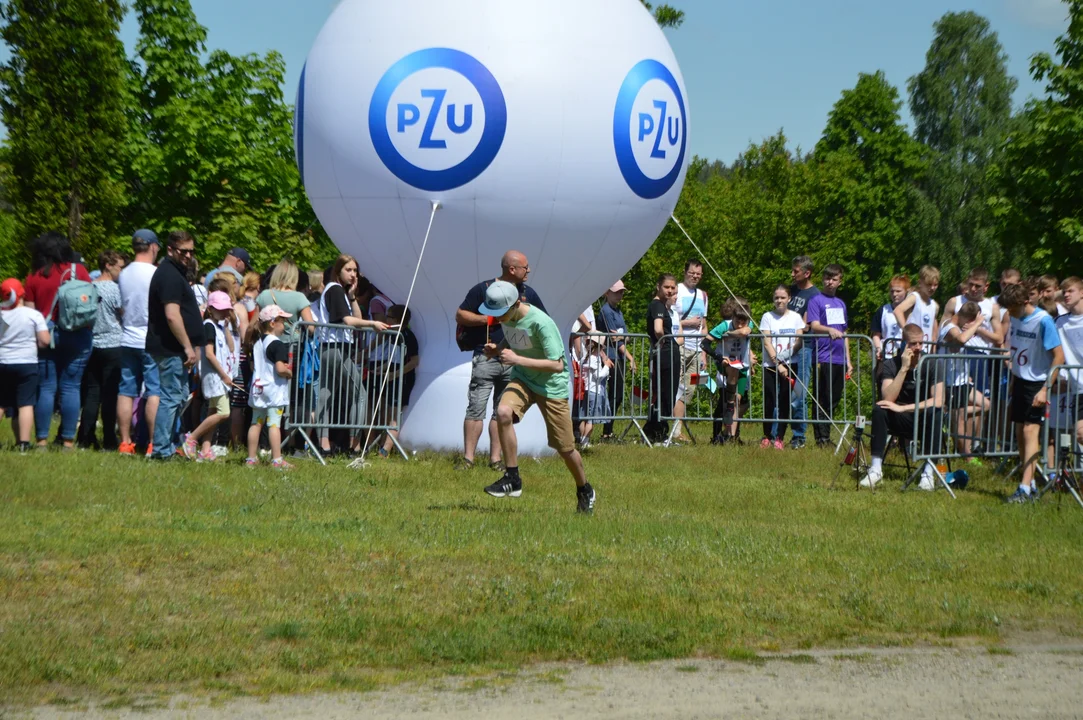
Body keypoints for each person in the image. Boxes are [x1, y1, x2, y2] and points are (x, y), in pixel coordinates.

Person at [477, 281, 595, 514]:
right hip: (523, 379)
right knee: (502, 412)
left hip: (551, 387)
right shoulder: (509, 316)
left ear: (516, 304)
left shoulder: (542, 323)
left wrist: (517, 360)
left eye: (500, 314)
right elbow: (514, 338)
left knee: (565, 449)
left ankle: (584, 488)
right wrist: (498, 349)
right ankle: (512, 478)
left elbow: (557, 364)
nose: (497, 319)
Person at [454, 250, 546, 470]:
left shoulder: (528, 293)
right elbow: (461, 315)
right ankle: (468, 459)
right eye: (525, 267)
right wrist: (491, 318)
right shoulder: (484, 290)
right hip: (485, 356)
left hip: (513, 360)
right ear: (512, 269)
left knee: (501, 411)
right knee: (475, 408)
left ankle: (495, 460)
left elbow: (542, 320)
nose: (529, 271)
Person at [23, 231, 93, 449]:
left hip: (46, 335)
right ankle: (68, 441)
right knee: (71, 387)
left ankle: (42, 440)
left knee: (46, 388)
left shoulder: (35, 276)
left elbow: (30, 312)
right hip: (78, 334)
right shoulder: (78, 270)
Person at [313, 255, 388, 454]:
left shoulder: (339, 291)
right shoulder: (335, 290)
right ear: (338, 271)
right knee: (360, 395)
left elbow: (357, 317)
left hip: (329, 348)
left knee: (325, 395)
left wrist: (353, 296)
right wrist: (372, 324)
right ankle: (354, 446)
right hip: (336, 349)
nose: (353, 274)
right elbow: (349, 321)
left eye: (355, 270)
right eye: (349, 270)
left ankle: (324, 445)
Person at [859, 325, 946, 490]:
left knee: (936, 412)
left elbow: (939, 400)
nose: (918, 347)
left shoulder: (932, 363)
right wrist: (904, 368)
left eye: (921, 343)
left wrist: (903, 408)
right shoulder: (891, 364)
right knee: (879, 409)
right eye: (913, 344)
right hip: (900, 421)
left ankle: (928, 474)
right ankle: (876, 469)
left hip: (923, 418)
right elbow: (888, 397)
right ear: (904, 344)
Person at [1002, 283, 1064, 503]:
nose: (1009, 312)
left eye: (1012, 308)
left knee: (1030, 433)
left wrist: (1045, 389)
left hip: (1037, 384)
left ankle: (1024, 487)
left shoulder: (1043, 321)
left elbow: (1058, 356)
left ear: (1025, 302)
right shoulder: (1015, 318)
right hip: (1019, 381)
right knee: (1019, 434)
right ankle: (1032, 483)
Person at [145, 231, 204, 460]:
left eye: (191, 251)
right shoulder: (168, 274)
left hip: (176, 349)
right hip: (169, 348)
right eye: (183, 251)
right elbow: (172, 315)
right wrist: (188, 347)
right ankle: (161, 450)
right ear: (170, 250)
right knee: (171, 398)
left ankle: (167, 446)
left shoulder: (176, 272)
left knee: (179, 397)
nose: (188, 255)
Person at [117, 229, 162, 456]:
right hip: (150, 338)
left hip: (127, 337)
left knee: (126, 391)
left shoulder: (123, 273)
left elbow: (122, 307)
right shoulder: (156, 273)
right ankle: (154, 443)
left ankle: (125, 442)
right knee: (154, 391)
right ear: (153, 246)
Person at [77, 250, 126, 450]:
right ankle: (108, 438)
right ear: (108, 265)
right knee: (110, 394)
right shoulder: (114, 289)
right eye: (120, 267)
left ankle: (85, 436)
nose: (121, 271)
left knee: (91, 393)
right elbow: (123, 313)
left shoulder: (88, 287)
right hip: (113, 344)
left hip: (91, 344)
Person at [180, 291, 237, 462]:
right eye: (221, 309)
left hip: (220, 377)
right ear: (211, 309)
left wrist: (227, 328)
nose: (225, 312)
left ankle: (205, 449)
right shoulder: (208, 326)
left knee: (213, 411)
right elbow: (210, 354)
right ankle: (191, 439)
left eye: (227, 309)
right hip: (215, 377)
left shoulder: (219, 327)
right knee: (224, 412)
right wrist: (224, 376)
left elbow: (232, 348)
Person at [0, 278, 50, 452]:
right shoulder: (33, 315)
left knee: (1, 403)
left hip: (3, 361)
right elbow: (45, 340)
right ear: (21, 293)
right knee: (25, 404)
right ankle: (23, 444)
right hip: (26, 362)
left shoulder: (1, 314)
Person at [806, 264, 851, 449]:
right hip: (824, 357)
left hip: (840, 358)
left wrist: (849, 359)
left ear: (840, 281)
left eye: (834, 279)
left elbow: (845, 331)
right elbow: (814, 325)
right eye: (827, 278)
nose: (830, 282)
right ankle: (821, 438)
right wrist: (829, 330)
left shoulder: (841, 304)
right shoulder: (816, 300)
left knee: (833, 399)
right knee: (822, 397)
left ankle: (826, 434)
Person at [937, 301, 989, 459]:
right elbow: (960, 340)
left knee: (986, 405)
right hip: (950, 381)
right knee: (959, 419)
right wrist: (978, 323)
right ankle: (967, 456)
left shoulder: (959, 327)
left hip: (963, 379)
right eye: (971, 322)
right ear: (965, 318)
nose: (971, 326)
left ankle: (948, 417)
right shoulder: (949, 326)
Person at [245, 305, 294, 469]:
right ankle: (277, 460)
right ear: (273, 323)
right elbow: (280, 369)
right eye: (283, 321)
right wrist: (289, 372)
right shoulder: (278, 344)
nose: (285, 325)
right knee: (274, 424)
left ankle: (251, 459)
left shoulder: (257, 343)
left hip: (258, 388)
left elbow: (253, 366)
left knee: (255, 423)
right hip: (273, 391)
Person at [367, 304, 419, 458]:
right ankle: (381, 446)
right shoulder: (392, 335)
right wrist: (381, 370)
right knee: (386, 412)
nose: (386, 319)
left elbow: (414, 361)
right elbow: (394, 357)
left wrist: (394, 374)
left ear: (398, 320)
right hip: (392, 378)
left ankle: (385, 451)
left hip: (402, 380)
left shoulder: (408, 336)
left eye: (389, 316)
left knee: (394, 415)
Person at [760, 285, 804, 449]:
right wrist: (778, 363)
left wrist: (785, 358)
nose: (779, 300)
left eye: (783, 297)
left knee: (785, 400)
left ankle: (780, 436)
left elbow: (799, 342)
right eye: (777, 297)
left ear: (789, 299)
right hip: (770, 365)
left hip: (791, 363)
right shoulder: (767, 317)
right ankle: (766, 435)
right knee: (769, 400)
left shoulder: (796, 317)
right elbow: (767, 341)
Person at [707, 298, 755, 444]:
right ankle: (719, 436)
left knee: (739, 401)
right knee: (727, 402)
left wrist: (728, 335)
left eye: (743, 321)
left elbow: (745, 331)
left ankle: (730, 436)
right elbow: (706, 342)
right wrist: (718, 356)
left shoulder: (747, 324)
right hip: (726, 365)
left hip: (742, 365)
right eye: (737, 320)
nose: (740, 324)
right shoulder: (723, 325)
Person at [595, 281, 637, 440]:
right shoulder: (606, 311)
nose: (620, 295)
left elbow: (624, 336)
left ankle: (608, 429)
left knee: (617, 395)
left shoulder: (617, 311)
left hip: (619, 356)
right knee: (614, 394)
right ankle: (606, 431)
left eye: (621, 292)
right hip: (611, 357)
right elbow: (615, 339)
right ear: (607, 293)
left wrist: (622, 337)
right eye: (617, 292)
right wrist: (630, 357)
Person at [643, 274, 681, 443]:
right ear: (659, 286)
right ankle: (657, 433)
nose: (670, 290)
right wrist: (664, 340)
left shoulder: (661, 305)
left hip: (666, 352)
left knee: (664, 393)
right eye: (667, 287)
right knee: (665, 394)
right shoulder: (657, 305)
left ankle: (653, 432)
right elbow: (658, 328)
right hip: (666, 353)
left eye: (673, 287)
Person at [673, 260, 709, 441]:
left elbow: (704, 325)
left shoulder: (703, 295)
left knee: (689, 389)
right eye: (692, 273)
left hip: (696, 350)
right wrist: (688, 323)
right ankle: (670, 428)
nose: (695, 276)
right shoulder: (677, 290)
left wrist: (704, 352)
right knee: (675, 387)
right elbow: (671, 319)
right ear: (685, 272)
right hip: (679, 346)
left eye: (698, 274)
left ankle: (677, 430)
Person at [787, 255, 820, 449]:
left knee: (799, 393)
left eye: (796, 271)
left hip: (803, 349)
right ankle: (776, 434)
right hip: (784, 347)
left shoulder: (814, 296)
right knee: (783, 392)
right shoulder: (790, 291)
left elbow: (807, 326)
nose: (792, 274)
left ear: (807, 273)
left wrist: (797, 344)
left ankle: (799, 435)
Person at [1054, 277, 1083, 453]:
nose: (1066, 294)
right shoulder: (1060, 322)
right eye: (1064, 291)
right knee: (1080, 435)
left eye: (1070, 291)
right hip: (1078, 387)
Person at [255, 258, 315, 339]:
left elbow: (254, 324)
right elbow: (310, 328)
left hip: (268, 342)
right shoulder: (299, 297)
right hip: (291, 344)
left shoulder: (264, 295)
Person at [893, 265, 940, 346]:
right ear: (920, 283)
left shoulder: (934, 305)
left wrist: (933, 349)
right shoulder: (915, 297)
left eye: (935, 285)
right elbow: (897, 311)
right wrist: (907, 331)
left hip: (925, 347)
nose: (932, 288)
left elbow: (934, 333)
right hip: (911, 346)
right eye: (929, 284)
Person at [578, 337, 612, 447]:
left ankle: (583, 440)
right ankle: (585, 441)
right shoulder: (594, 359)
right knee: (590, 420)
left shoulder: (586, 358)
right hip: (594, 390)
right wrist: (606, 367)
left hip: (587, 390)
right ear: (600, 347)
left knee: (584, 417)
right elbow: (598, 376)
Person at [871, 275, 909, 361]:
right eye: (892, 291)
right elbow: (876, 334)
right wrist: (878, 349)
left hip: (905, 355)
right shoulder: (883, 310)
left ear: (906, 291)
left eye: (898, 291)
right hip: (887, 356)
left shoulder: (911, 311)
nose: (895, 294)